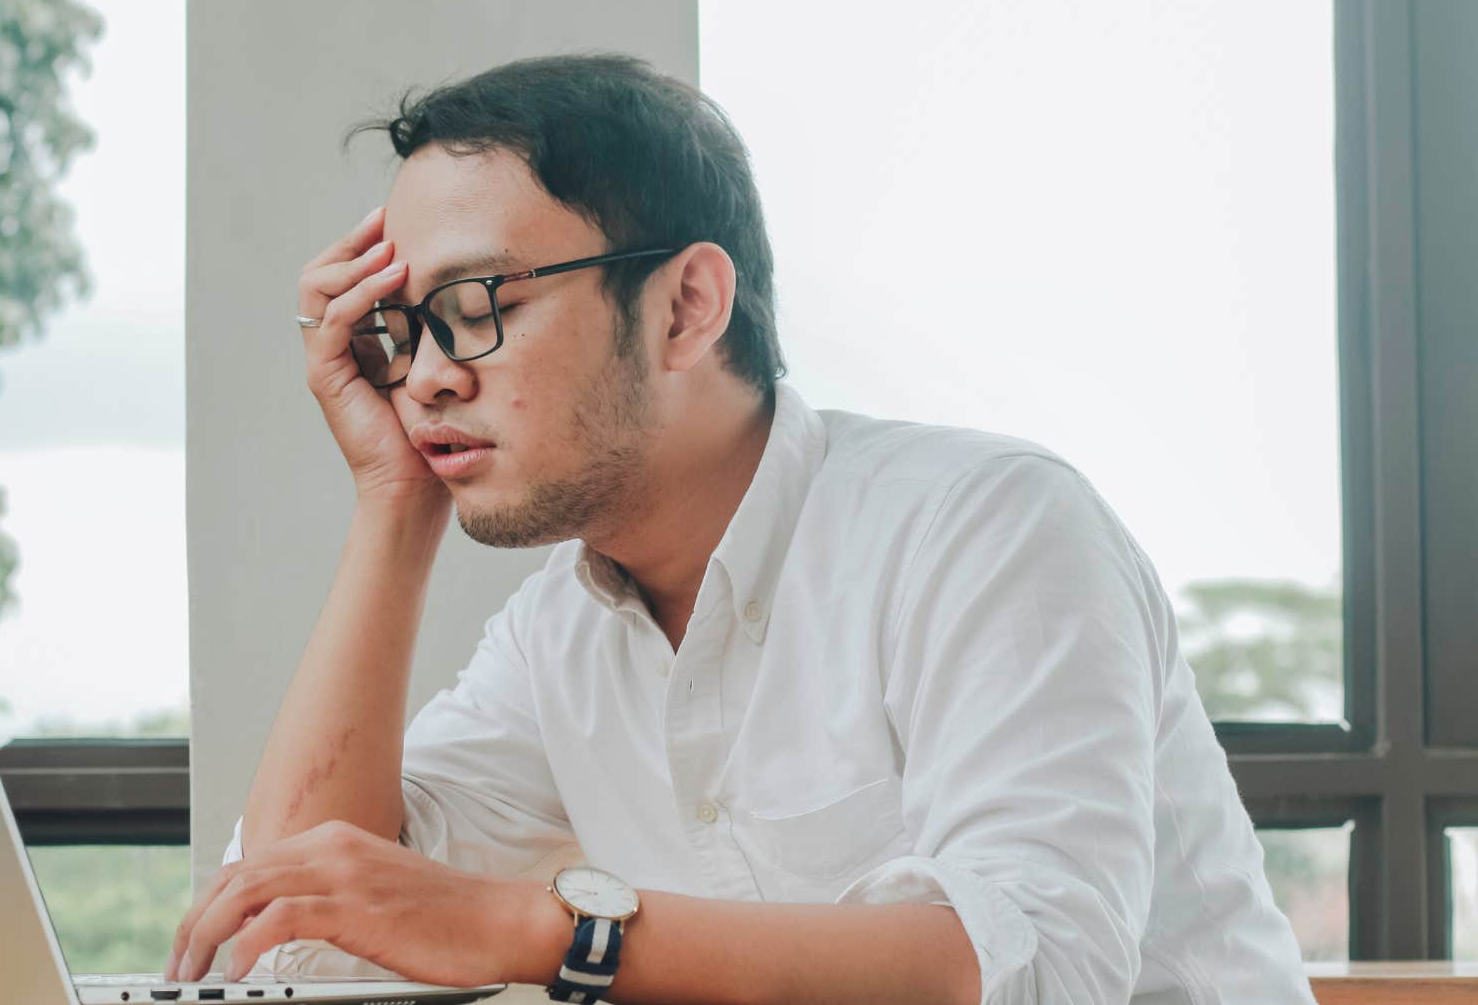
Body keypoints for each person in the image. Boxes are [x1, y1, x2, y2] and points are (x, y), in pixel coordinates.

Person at [165, 53, 1316, 1004]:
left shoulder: (991, 528)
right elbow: (302, 924)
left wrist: (543, 929)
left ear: (686, 307)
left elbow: (1041, 967)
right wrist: (392, 504)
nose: (423, 379)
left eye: (472, 311)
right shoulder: (556, 639)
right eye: (401, 332)